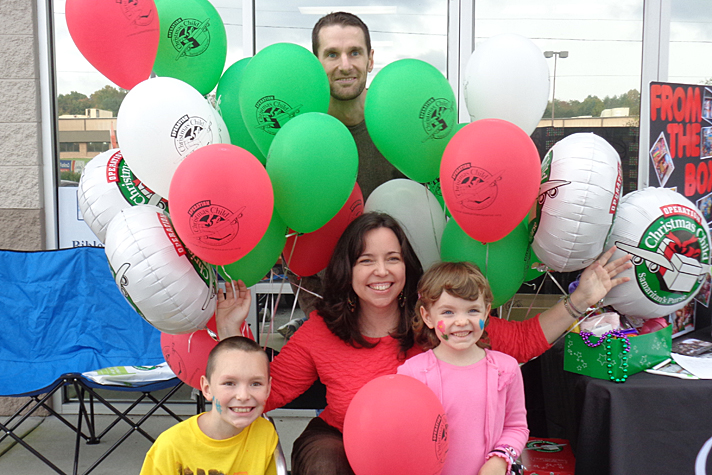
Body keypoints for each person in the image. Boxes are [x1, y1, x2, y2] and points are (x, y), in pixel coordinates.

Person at [217, 211, 632, 475]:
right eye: (366, 260)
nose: (381, 271)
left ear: (406, 265)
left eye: (392, 258)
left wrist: (578, 300)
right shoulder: (320, 332)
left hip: (429, 453)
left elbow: (522, 342)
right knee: (327, 463)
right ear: (348, 269)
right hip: (340, 440)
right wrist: (233, 332)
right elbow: (263, 393)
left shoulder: (441, 322)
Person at [284, 11, 405, 322]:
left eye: (355, 52)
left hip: (399, 307)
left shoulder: (398, 129)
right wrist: (317, 313)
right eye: (332, 55)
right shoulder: (300, 136)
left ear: (370, 59)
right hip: (329, 309)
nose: (345, 65)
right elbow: (290, 229)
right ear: (316, 63)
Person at [398, 261, 528, 475]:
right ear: (428, 316)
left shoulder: (506, 369)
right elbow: (402, 435)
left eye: (472, 310)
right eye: (448, 312)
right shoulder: (411, 374)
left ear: (486, 313)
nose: (461, 321)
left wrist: (499, 459)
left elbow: (516, 427)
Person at [140, 336, 278, 475]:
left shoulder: (265, 433)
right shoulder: (170, 446)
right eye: (229, 383)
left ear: (268, 388)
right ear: (207, 389)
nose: (243, 396)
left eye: (256, 384)